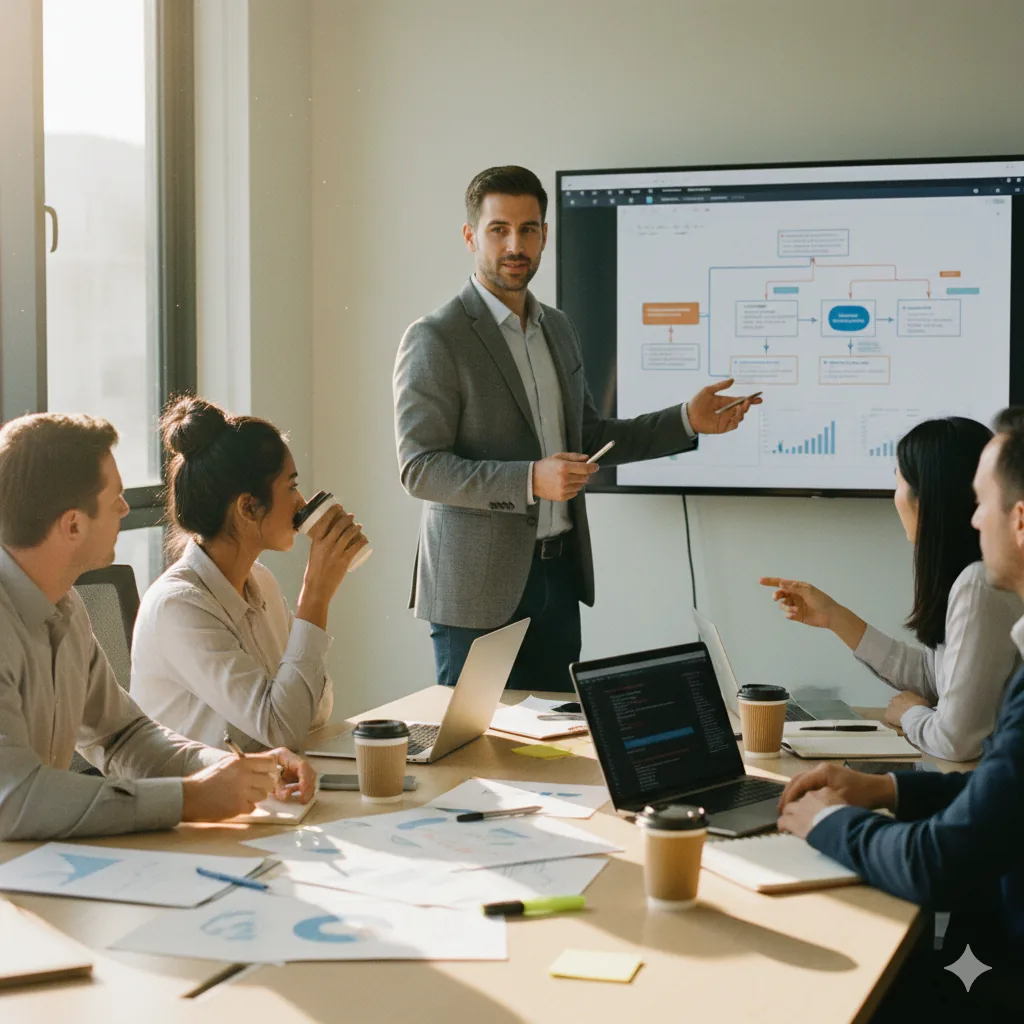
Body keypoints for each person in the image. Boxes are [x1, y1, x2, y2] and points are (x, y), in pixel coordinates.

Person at [394, 165, 760, 691]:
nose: (515, 244)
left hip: (558, 579)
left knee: (555, 756)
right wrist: (529, 480)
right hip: (476, 593)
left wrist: (686, 420)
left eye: (529, 229)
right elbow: (420, 469)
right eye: (499, 229)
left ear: (545, 235)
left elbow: (587, 440)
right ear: (471, 236)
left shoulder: (558, 329)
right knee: (476, 756)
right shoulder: (437, 337)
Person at [777, 413, 1024, 1015]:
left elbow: (938, 860)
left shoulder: (978, 590)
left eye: (982, 501)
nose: (972, 519)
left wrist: (827, 823)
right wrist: (885, 788)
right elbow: (1002, 794)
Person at [0, 412, 316, 841]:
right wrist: (188, 799)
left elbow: (122, 735)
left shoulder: (65, 607)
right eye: (114, 500)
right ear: (73, 524)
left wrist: (232, 772)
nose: (125, 509)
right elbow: (13, 798)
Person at [761, 417, 1021, 761]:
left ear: (925, 498)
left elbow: (954, 741)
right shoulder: (967, 579)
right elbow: (936, 678)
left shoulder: (978, 586)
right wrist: (835, 617)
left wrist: (910, 715)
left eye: (897, 483)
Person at [131, 397, 367, 752]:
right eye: (290, 487)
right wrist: (316, 593)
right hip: (203, 802)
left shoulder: (261, 584)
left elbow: (313, 712)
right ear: (248, 506)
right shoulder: (178, 607)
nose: (301, 503)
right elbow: (283, 729)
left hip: (272, 785)